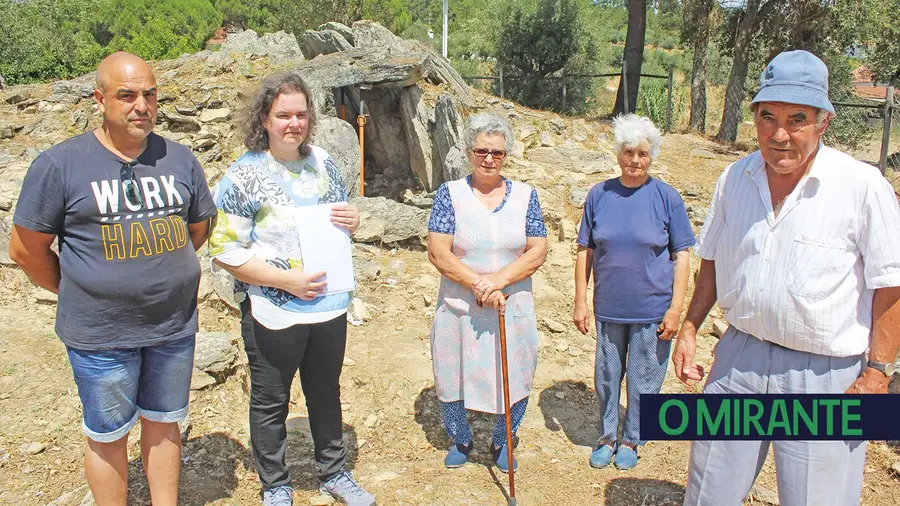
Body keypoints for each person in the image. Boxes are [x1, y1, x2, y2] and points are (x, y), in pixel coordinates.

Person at [673, 50, 900, 506]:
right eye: (767, 116)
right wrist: (691, 326)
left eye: (797, 118)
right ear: (754, 117)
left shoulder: (862, 185)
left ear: (823, 122)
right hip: (740, 357)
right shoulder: (735, 177)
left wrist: (877, 372)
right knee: (707, 491)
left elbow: (890, 285)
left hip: (826, 374)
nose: (779, 134)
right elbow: (714, 260)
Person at [8, 52, 217, 506]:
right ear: (100, 99)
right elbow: (26, 250)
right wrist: (82, 287)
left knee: (165, 421)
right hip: (100, 333)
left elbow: (197, 229)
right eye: (127, 95)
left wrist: (160, 274)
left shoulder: (179, 159)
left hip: (172, 326)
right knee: (108, 433)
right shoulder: (60, 165)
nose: (141, 105)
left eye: (150, 94)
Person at [207, 72, 374, 506]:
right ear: (264, 118)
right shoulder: (242, 176)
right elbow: (224, 249)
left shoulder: (324, 163)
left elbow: (339, 225)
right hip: (273, 309)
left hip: (329, 306)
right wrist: (286, 281)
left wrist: (353, 220)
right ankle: (276, 486)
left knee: (325, 391)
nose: (293, 123)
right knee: (270, 400)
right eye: (283, 115)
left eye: (301, 114)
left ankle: (335, 473)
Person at [426, 112, 548, 472]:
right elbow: (438, 251)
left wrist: (498, 281)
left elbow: (537, 249)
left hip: (511, 301)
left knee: (517, 371)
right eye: (481, 151)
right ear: (468, 152)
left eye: (497, 153)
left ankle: (503, 439)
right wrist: (478, 283)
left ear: (506, 154)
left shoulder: (527, 196)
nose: (489, 159)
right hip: (459, 303)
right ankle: (460, 437)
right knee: (451, 371)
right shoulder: (450, 194)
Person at [572, 114, 694, 470]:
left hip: (652, 309)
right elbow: (585, 250)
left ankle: (632, 438)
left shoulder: (666, 197)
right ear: (618, 154)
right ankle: (607, 435)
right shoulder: (599, 195)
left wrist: (676, 309)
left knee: (645, 378)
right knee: (607, 376)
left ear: (651, 155)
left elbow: (682, 255)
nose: (635, 161)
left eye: (642, 153)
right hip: (609, 306)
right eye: (629, 152)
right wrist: (580, 300)